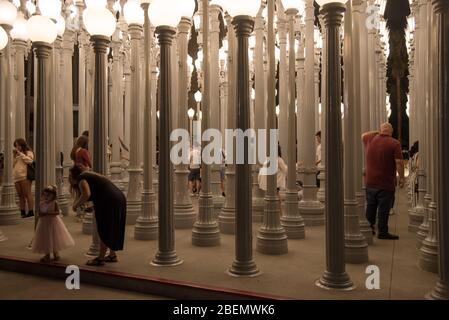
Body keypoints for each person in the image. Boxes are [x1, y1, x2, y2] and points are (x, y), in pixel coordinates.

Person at [69, 165, 127, 266]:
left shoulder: (81, 179)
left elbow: (86, 194)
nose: (68, 177)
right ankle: (112, 255)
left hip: (109, 200)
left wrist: (75, 205)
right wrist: (94, 206)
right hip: (117, 197)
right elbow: (101, 189)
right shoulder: (89, 175)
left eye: (69, 175)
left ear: (73, 174)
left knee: (104, 228)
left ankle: (100, 258)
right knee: (111, 227)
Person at [362, 122, 404, 240]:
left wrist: (377, 132)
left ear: (381, 131)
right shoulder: (395, 143)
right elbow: (399, 163)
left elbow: (363, 134)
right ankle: (383, 232)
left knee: (370, 206)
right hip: (386, 182)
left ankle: (369, 228)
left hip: (370, 181)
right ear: (391, 132)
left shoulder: (369, 140)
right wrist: (401, 178)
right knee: (383, 209)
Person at [32, 185, 75, 262]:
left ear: (53, 196)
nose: (46, 197)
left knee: (54, 237)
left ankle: (56, 253)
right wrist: (41, 213)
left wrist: (48, 213)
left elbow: (57, 212)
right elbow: (39, 213)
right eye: (44, 195)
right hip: (44, 223)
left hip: (53, 223)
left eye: (48, 195)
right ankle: (47, 255)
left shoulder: (54, 203)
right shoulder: (41, 203)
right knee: (45, 238)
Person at [13, 139, 35, 218]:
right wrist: (15, 156)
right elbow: (13, 165)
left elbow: (30, 161)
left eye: (18, 145)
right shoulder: (15, 154)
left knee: (27, 193)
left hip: (25, 176)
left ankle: (31, 211)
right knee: (20, 195)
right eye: (16, 145)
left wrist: (21, 154)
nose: (17, 147)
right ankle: (22, 212)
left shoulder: (28, 152)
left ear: (22, 145)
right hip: (16, 176)